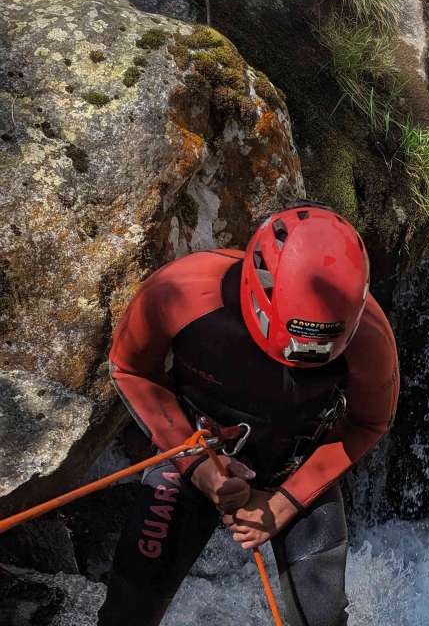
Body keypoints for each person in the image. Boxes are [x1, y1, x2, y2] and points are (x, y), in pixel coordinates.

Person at [97, 203, 400, 626]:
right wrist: (199, 466)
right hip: (195, 451)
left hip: (294, 472)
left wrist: (283, 504)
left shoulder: (370, 339)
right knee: (126, 613)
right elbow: (130, 368)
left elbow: (369, 422)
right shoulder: (184, 291)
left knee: (322, 619)